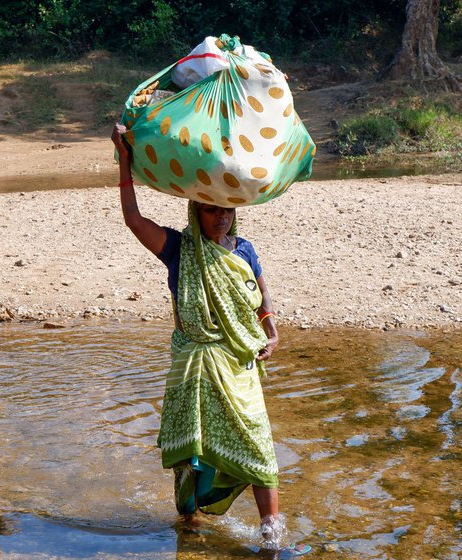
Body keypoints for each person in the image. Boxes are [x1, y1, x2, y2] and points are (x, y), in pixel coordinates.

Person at [110, 124, 310, 556]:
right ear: (194, 211)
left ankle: (271, 534)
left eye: (227, 211)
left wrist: (272, 328)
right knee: (192, 454)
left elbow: (261, 290)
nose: (221, 217)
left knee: (258, 445)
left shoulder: (244, 250)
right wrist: (124, 159)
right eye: (210, 210)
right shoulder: (179, 249)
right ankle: (190, 525)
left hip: (239, 364)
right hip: (195, 367)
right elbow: (132, 219)